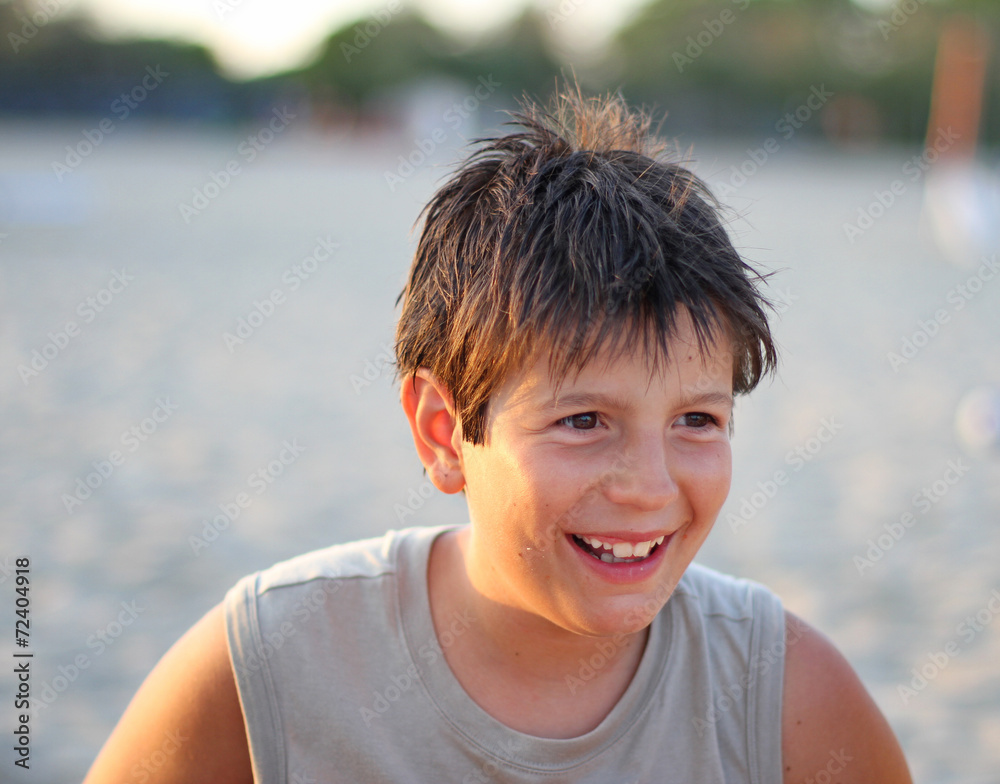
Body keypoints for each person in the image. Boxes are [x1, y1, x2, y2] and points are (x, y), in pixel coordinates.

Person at [84, 82, 913, 783]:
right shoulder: (268, 665)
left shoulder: (788, 700)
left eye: (697, 420)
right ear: (444, 432)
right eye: (584, 421)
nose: (650, 486)